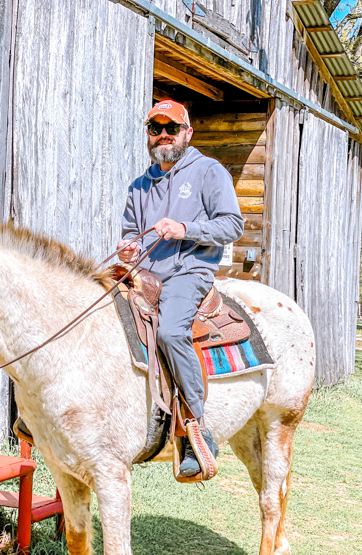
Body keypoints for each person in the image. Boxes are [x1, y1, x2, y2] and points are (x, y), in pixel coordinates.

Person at [118, 99, 244, 478]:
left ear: (187, 133)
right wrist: (129, 247)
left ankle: (196, 428)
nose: (162, 135)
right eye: (155, 128)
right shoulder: (140, 185)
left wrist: (186, 229)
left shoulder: (209, 171)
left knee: (172, 331)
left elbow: (232, 225)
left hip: (189, 270)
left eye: (171, 128)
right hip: (145, 273)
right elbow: (129, 232)